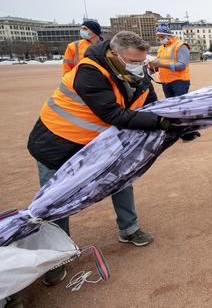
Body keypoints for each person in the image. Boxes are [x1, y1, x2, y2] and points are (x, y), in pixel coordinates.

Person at [27, 31, 183, 286]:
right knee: (55, 199)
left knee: (122, 180)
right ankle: (55, 257)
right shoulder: (90, 72)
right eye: (133, 61)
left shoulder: (135, 69)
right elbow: (114, 115)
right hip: (58, 143)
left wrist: (179, 124)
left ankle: (129, 229)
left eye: (142, 61)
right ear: (115, 54)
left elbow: (150, 102)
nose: (139, 66)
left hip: (100, 144)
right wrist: (161, 123)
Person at [148, 25, 191, 98]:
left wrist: (161, 65)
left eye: (162, 36)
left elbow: (182, 65)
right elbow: (159, 66)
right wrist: (152, 67)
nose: (160, 39)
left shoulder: (180, 45)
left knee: (179, 106)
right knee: (170, 106)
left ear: (168, 35)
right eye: (158, 37)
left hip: (179, 82)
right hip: (165, 82)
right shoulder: (161, 48)